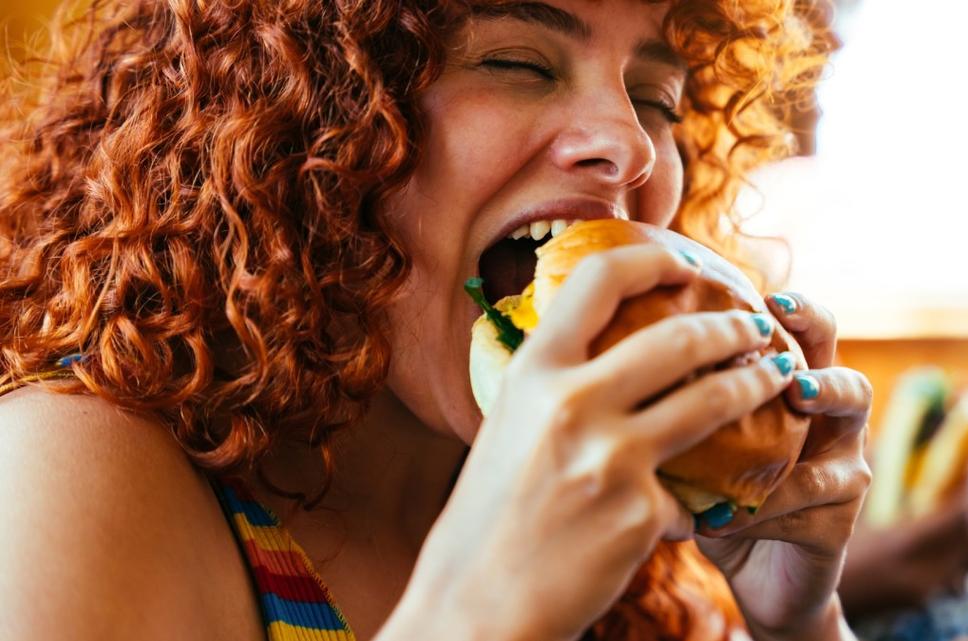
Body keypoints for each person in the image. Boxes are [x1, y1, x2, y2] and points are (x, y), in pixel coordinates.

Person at [0, 0, 871, 639]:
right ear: (307, 123)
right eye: (519, 63)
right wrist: (478, 614)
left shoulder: (617, 507)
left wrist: (797, 623)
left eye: (656, 98)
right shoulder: (69, 466)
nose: (631, 143)